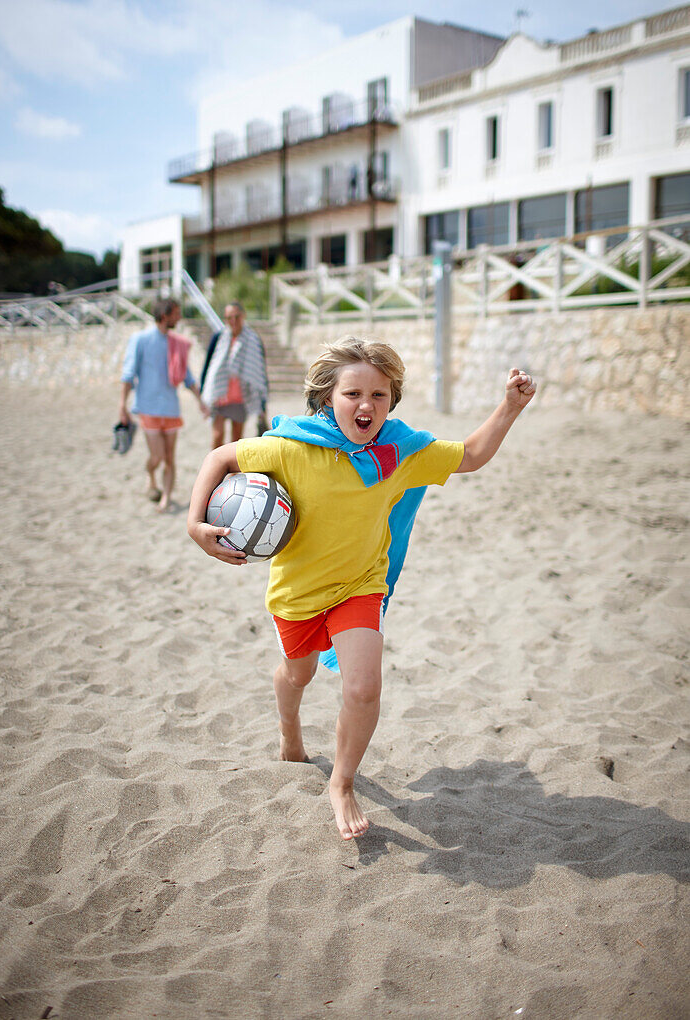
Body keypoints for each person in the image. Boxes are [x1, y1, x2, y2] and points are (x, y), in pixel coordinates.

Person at [187, 336, 536, 840]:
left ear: (392, 400)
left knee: (363, 687)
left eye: (379, 394)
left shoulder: (401, 451)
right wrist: (196, 526)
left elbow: (471, 455)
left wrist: (509, 406)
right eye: (352, 393)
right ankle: (290, 731)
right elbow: (218, 457)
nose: (366, 404)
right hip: (297, 594)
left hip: (360, 586)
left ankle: (342, 782)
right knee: (297, 674)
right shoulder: (290, 449)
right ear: (328, 396)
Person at [119, 297, 200, 512]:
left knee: (170, 458)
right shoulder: (140, 339)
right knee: (157, 456)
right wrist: (122, 406)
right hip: (147, 408)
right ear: (165, 316)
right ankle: (151, 475)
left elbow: (187, 376)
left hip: (171, 409)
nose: (179, 317)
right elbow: (128, 374)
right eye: (176, 313)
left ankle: (165, 498)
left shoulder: (177, 343)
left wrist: (200, 401)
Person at [199, 301, 268, 448]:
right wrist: (202, 393)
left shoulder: (254, 340)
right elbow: (208, 366)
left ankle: (231, 472)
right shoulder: (219, 338)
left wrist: (263, 403)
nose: (233, 321)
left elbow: (259, 371)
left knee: (235, 442)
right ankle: (217, 469)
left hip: (240, 397)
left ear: (243, 316)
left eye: (237, 316)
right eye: (229, 317)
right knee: (217, 437)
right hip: (219, 395)